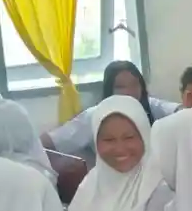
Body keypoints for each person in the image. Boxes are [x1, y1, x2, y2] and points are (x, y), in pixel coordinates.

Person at [42, 61, 178, 165]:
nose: (129, 92)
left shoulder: (150, 106)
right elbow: (50, 141)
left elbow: (180, 111)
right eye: (121, 87)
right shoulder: (93, 116)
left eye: (134, 85)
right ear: (109, 89)